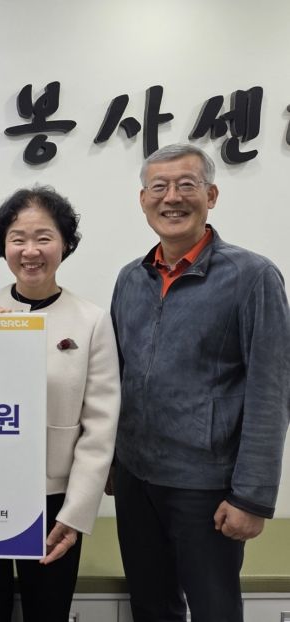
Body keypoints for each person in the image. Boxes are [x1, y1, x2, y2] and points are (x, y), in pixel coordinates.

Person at [110, 143, 290, 622]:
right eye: (159, 187)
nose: (172, 197)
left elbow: (272, 390)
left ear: (211, 195)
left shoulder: (252, 277)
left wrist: (252, 496)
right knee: (151, 608)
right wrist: (110, 462)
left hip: (206, 487)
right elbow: (116, 377)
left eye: (186, 185)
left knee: (215, 611)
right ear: (143, 199)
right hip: (135, 479)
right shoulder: (131, 278)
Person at [0, 186, 121, 621]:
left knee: (48, 611)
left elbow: (100, 427)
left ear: (65, 243)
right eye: (18, 238)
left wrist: (75, 514)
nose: (30, 251)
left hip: (55, 498)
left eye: (44, 238)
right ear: (3, 246)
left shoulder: (91, 319)